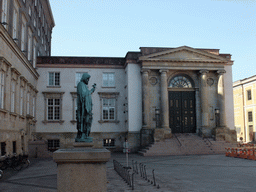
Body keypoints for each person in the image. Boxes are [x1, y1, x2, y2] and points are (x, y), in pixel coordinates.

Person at [75, 73, 96, 142]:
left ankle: (86, 135)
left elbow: (87, 93)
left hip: (87, 109)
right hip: (82, 109)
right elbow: (83, 95)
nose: (88, 81)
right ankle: (82, 135)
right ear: (84, 78)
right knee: (83, 121)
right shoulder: (80, 84)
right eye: (87, 79)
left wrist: (93, 89)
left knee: (87, 121)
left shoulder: (84, 86)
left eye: (88, 79)